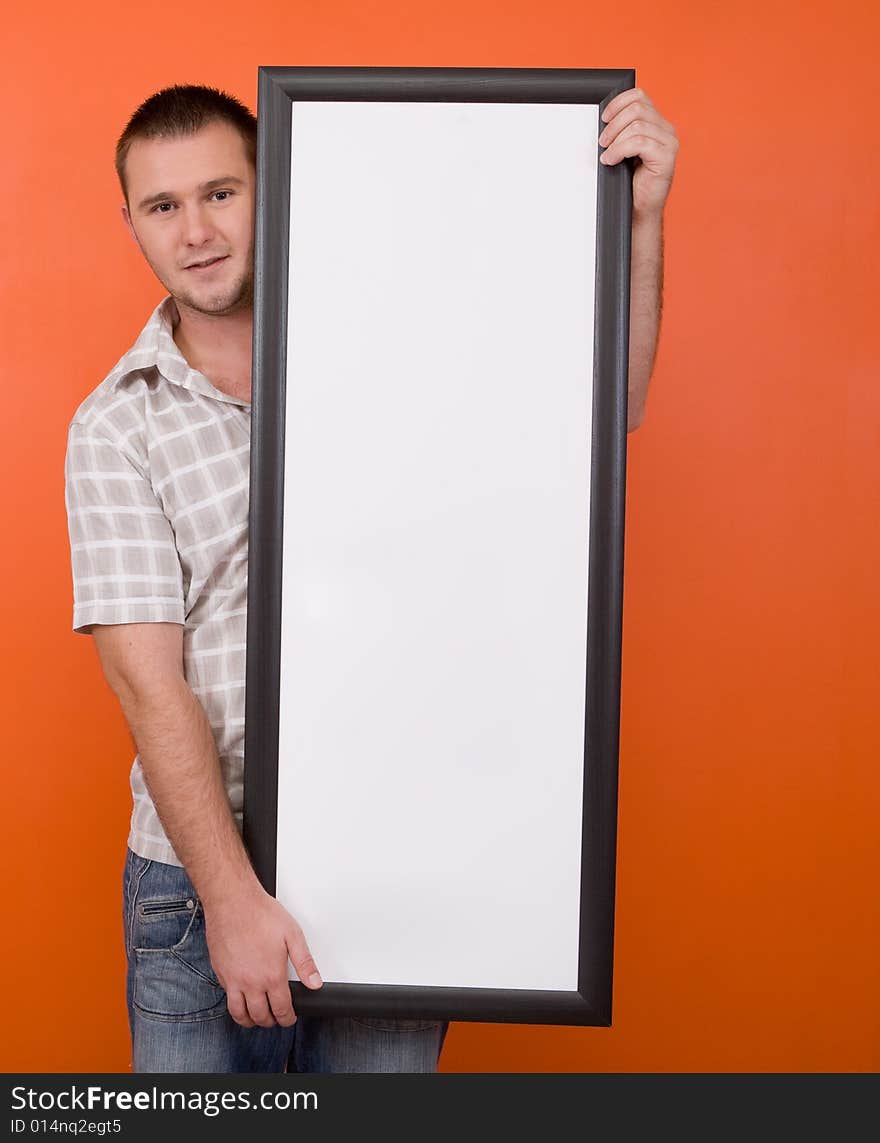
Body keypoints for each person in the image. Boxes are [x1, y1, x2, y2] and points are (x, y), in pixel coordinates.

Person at [63, 82, 677, 1074]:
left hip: (390, 851)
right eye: (163, 206)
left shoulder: (407, 356)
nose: (197, 231)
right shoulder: (117, 422)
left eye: (221, 192)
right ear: (131, 222)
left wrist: (636, 218)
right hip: (194, 884)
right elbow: (149, 682)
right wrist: (232, 902)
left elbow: (609, 407)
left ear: (279, 186)